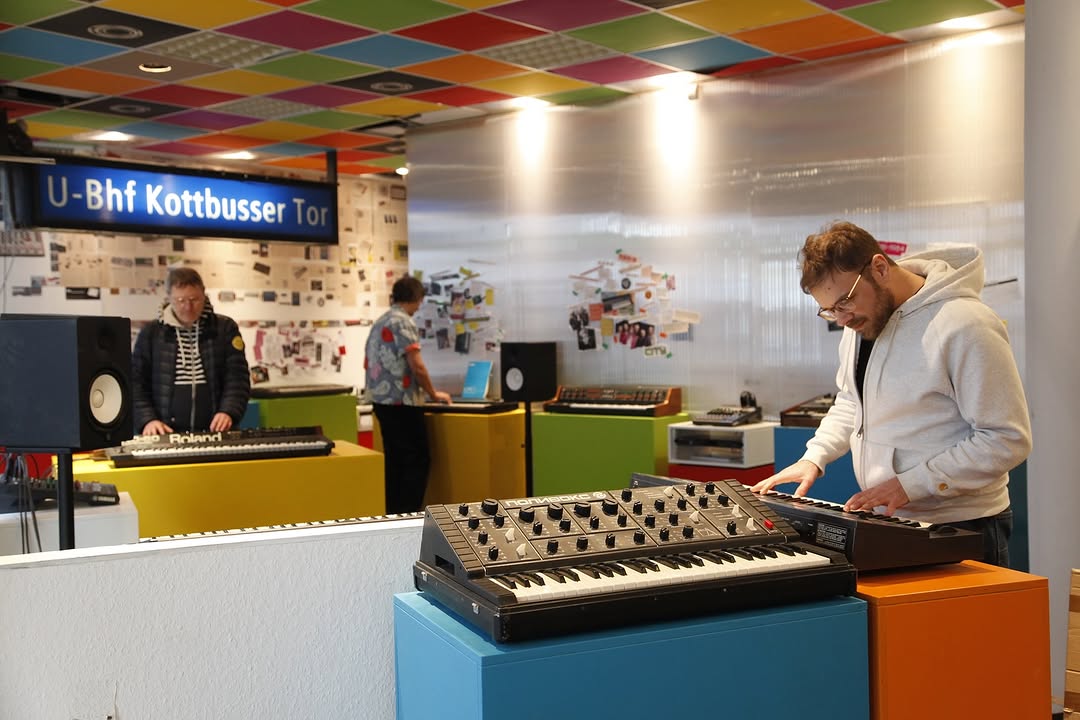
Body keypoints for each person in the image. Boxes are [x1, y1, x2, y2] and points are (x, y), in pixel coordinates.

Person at [751, 221, 1031, 566]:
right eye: (830, 310)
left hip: (963, 525)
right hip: (893, 520)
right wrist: (815, 457)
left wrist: (910, 484)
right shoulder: (860, 322)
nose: (841, 319)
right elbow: (851, 401)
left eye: (845, 301)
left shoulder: (966, 324)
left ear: (880, 268)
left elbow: (1006, 438)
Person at [365, 276, 451, 513]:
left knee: (394, 462)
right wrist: (433, 393)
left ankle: (393, 515)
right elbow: (417, 366)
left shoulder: (381, 321)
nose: (420, 306)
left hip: (381, 401)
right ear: (415, 298)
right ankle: (410, 514)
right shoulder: (403, 322)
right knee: (416, 460)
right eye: (420, 300)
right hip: (402, 402)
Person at [132, 268, 251, 435]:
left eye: (194, 299)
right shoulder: (151, 333)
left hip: (216, 431)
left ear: (204, 294)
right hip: (164, 432)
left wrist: (228, 411)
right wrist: (148, 420)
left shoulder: (225, 328)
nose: (188, 307)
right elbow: (136, 383)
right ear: (169, 297)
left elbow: (237, 378)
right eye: (180, 300)